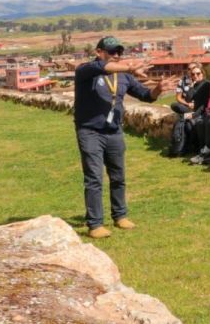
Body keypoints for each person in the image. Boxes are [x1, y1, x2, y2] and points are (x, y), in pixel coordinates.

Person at [73, 36, 172, 238]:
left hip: (114, 131)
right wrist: (129, 67)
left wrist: (158, 90)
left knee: (118, 176)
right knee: (94, 178)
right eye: (111, 52)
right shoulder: (86, 70)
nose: (116, 55)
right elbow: (103, 68)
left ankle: (120, 216)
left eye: (119, 52)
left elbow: (145, 95)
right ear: (99, 52)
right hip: (90, 131)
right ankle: (95, 224)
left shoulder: (124, 77)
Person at [168, 63, 210, 157]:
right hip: (194, 111)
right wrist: (191, 86)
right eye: (193, 74)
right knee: (183, 121)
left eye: (198, 73)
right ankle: (183, 147)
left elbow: (204, 105)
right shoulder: (194, 85)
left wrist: (194, 115)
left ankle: (192, 148)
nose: (195, 76)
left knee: (187, 121)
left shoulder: (206, 84)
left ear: (202, 73)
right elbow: (189, 99)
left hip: (201, 112)